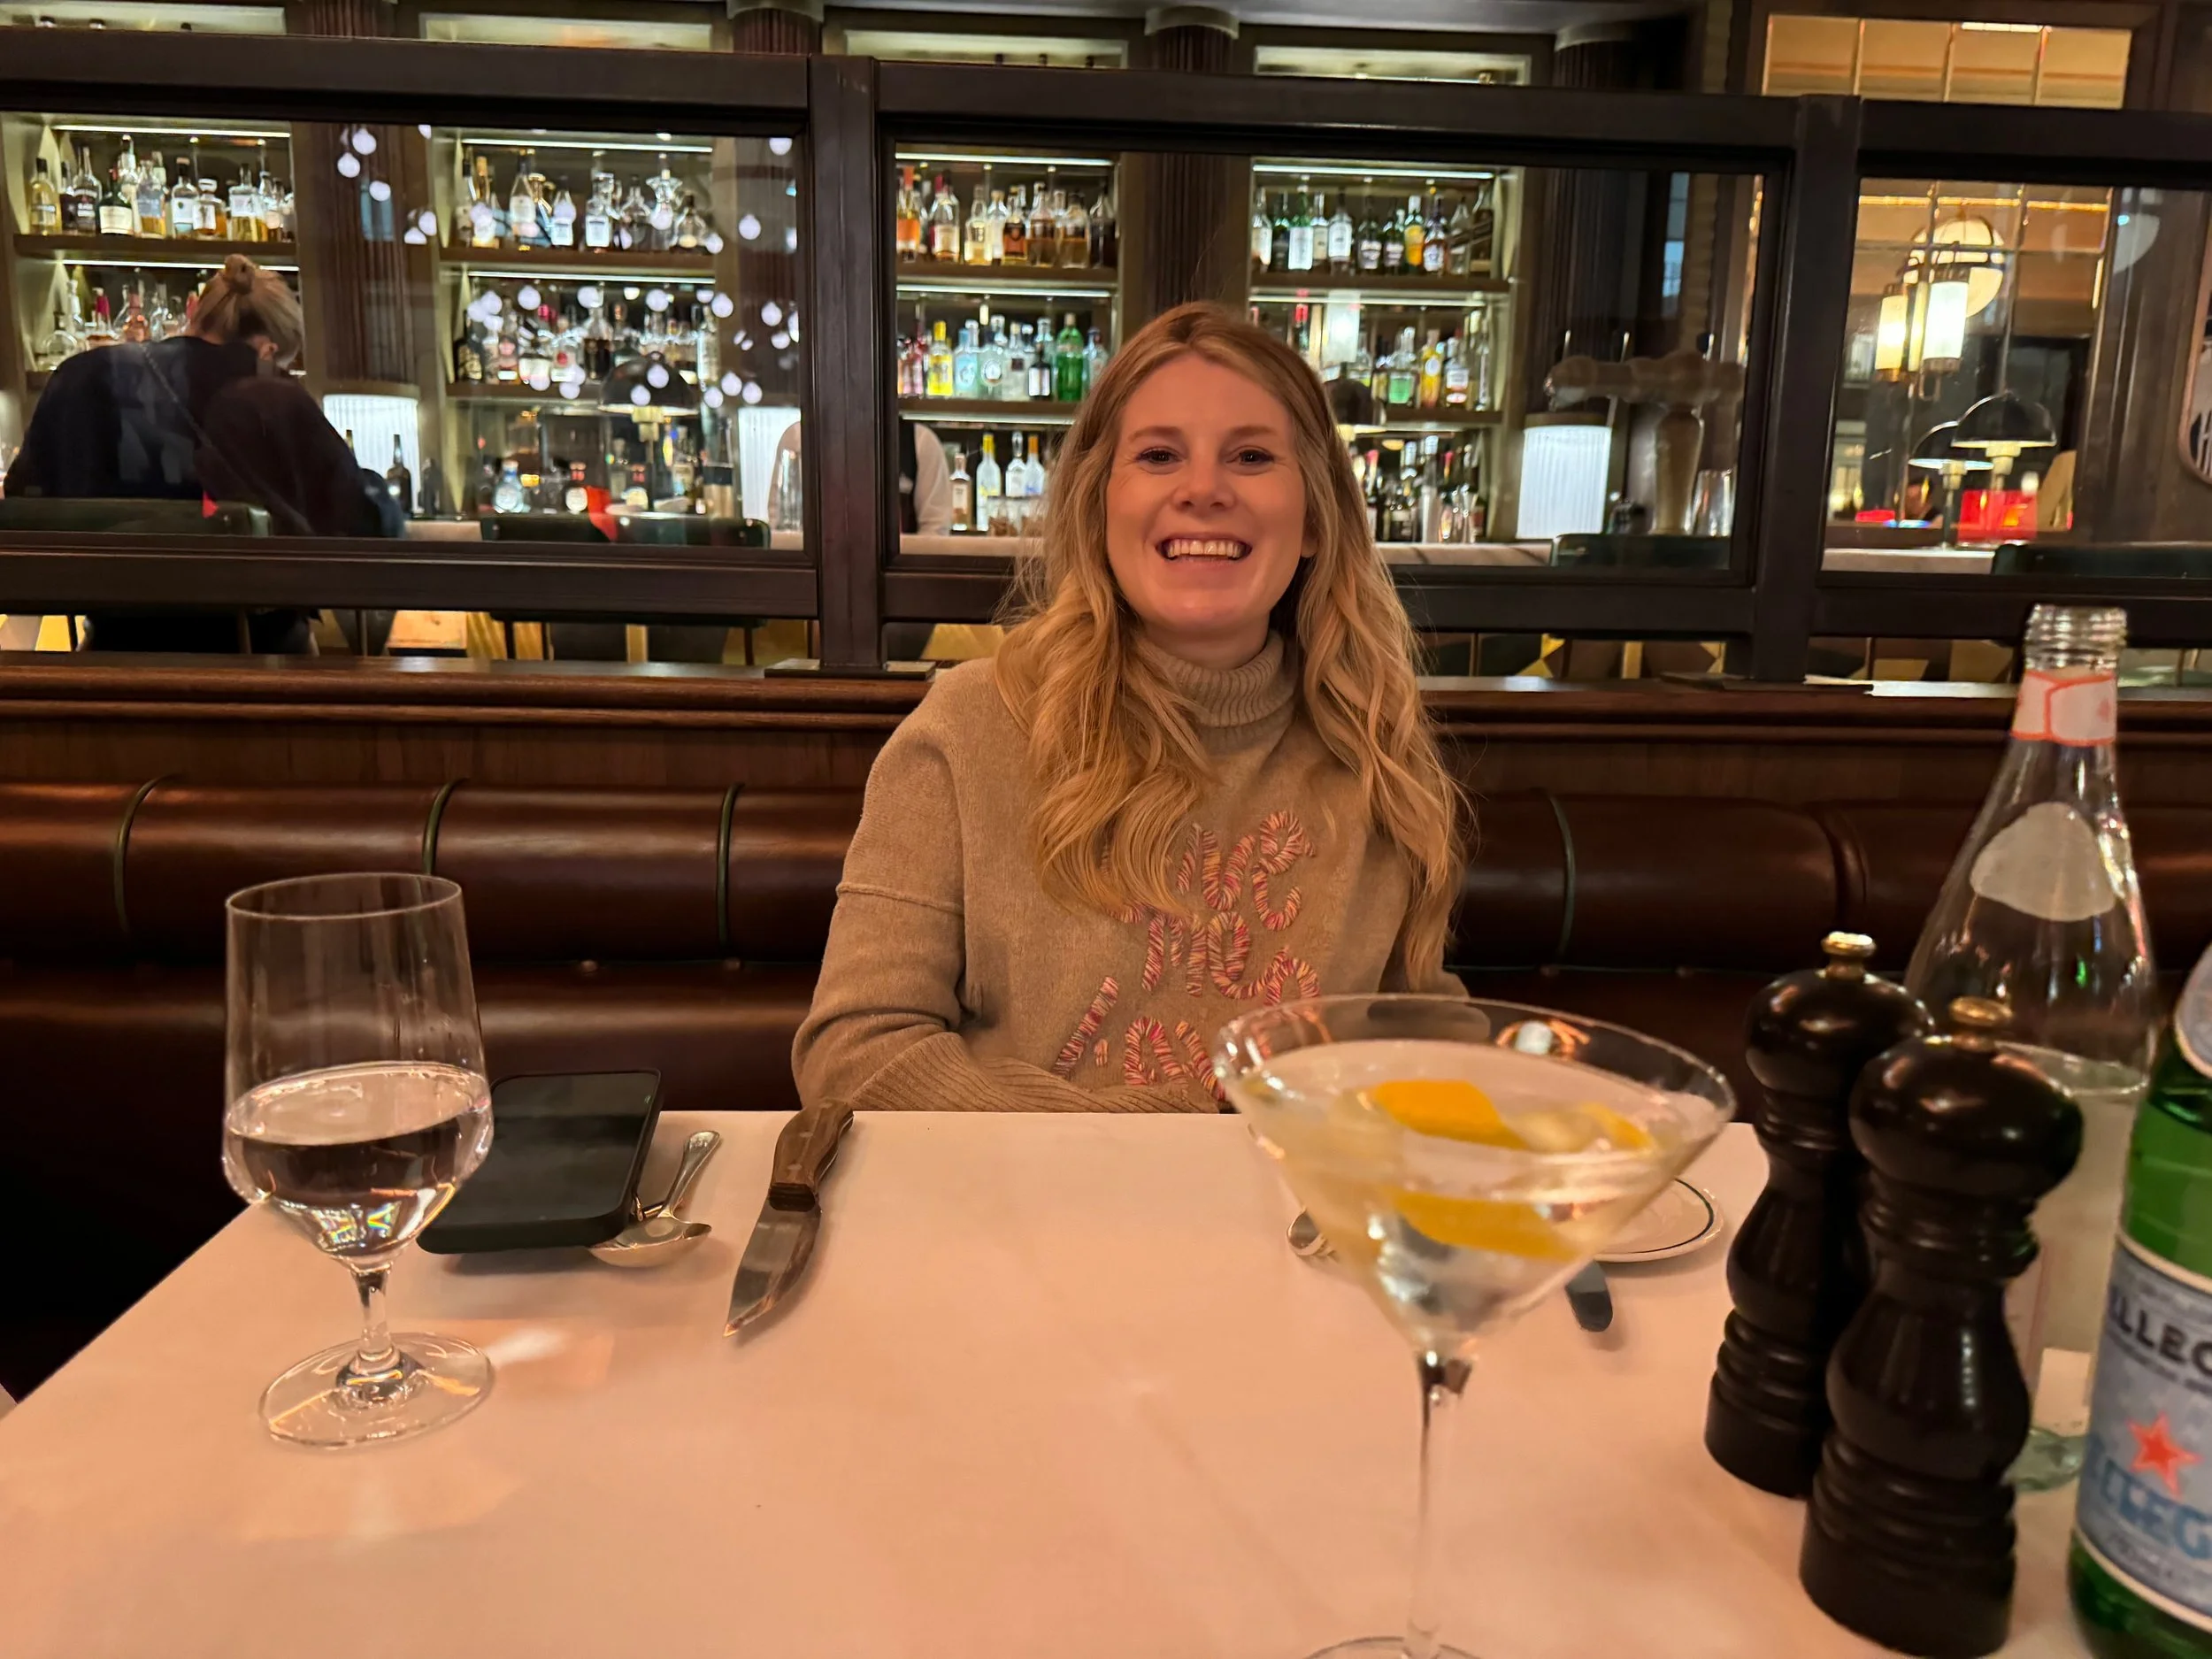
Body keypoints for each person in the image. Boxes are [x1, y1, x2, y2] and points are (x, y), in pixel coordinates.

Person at [794, 302, 1465, 1112]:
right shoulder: (967, 729)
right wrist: (1158, 1133)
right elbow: (855, 1052)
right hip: (1018, 1199)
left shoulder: (1374, 749)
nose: (1204, 489)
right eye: (1158, 455)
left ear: (1316, 517)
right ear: (1099, 504)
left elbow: (1421, 1045)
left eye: (1251, 456)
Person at [5, 254, 401, 653]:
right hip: (261, 660)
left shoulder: (82, 375)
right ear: (268, 350)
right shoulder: (273, 396)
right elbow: (360, 523)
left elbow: (25, 505)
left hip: (114, 657)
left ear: (194, 312)